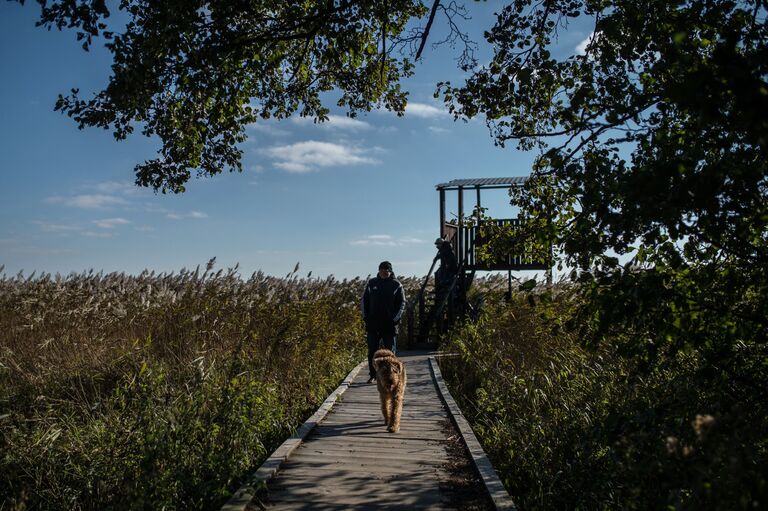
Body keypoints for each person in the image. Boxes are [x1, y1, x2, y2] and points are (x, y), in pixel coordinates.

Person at [361, 261, 406, 383]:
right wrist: (366, 318)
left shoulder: (396, 285)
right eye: (382, 270)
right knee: (372, 351)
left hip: (389, 325)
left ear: (390, 271)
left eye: (387, 270)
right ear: (379, 271)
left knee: (390, 353)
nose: (384, 272)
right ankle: (373, 375)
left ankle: (392, 377)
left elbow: (402, 303)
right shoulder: (372, 283)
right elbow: (364, 301)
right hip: (373, 324)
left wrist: (395, 319)